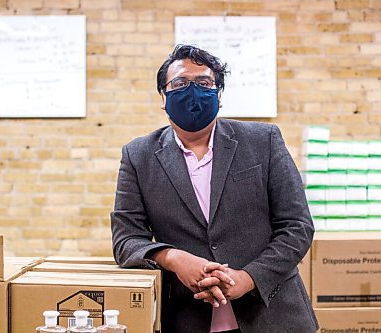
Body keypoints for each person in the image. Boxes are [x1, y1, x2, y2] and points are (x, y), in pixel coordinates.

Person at [110, 44, 318, 333]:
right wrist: (174, 258)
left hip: (272, 317)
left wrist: (248, 278)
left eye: (204, 83)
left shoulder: (263, 141)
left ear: (219, 95)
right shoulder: (138, 155)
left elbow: (297, 226)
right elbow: (126, 239)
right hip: (186, 318)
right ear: (163, 96)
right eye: (180, 83)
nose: (192, 91)